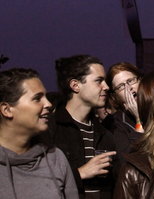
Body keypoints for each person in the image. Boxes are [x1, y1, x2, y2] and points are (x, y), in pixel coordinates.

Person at [41, 55, 116, 199]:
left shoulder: (105, 134)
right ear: (75, 85)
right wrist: (80, 173)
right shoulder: (49, 129)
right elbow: (35, 183)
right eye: (99, 81)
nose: (106, 87)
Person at [0, 68, 78, 199]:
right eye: (37, 99)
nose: (48, 104)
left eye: (46, 97)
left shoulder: (56, 158)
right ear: (7, 110)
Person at [105, 62, 143, 155]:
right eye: (120, 86)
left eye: (130, 81)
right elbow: (131, 158)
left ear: (140, 80)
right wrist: (138, 119)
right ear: (115, 96)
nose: (128, 88)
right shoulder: (114, 125)